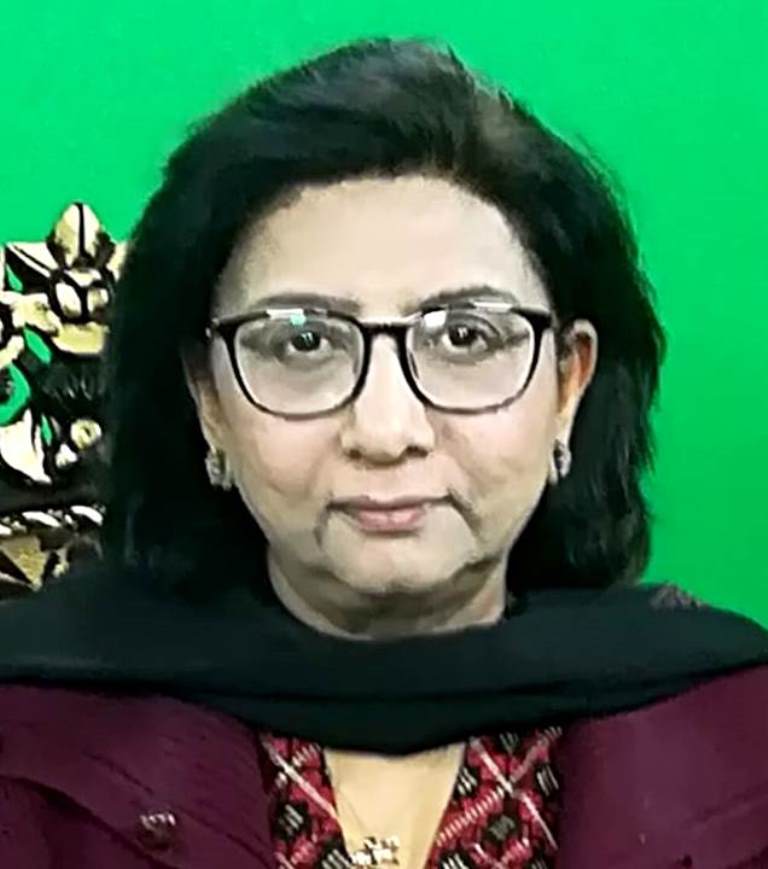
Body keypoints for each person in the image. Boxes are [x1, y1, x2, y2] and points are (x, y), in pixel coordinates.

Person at [0, 36, 766, 869]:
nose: (386, 429)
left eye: (466, 337)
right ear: (208, 398)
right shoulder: (30, 737)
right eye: (302, 341)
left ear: (567, 386)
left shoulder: (741, 733)